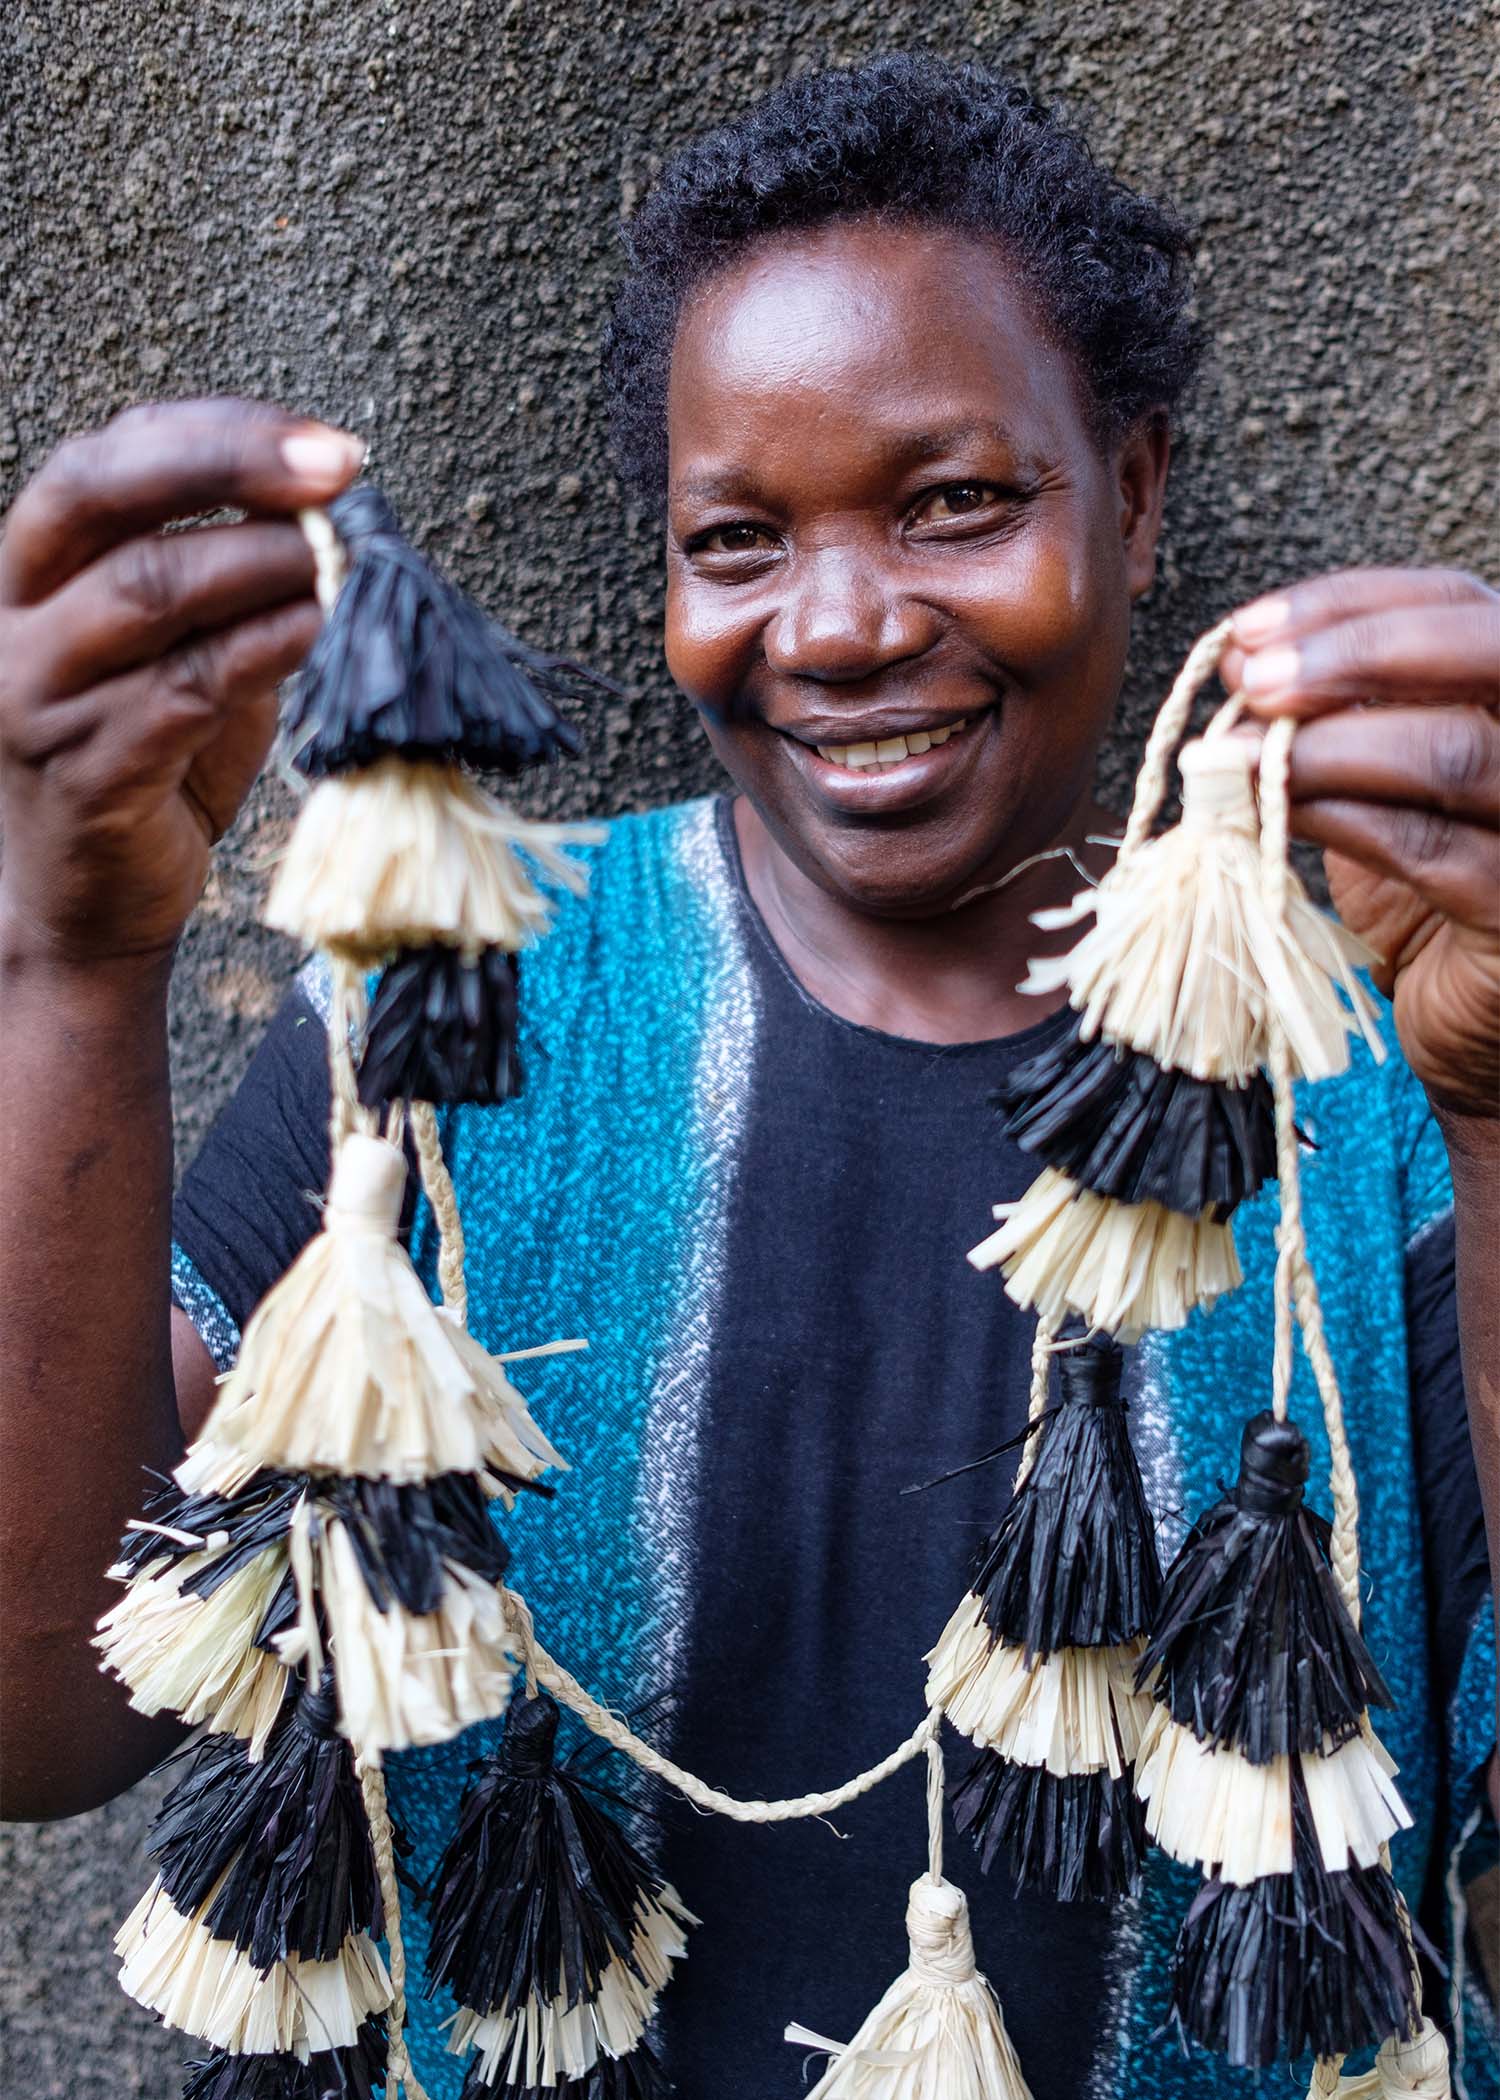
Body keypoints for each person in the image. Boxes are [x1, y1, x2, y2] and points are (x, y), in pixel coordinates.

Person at [1, 52, 1495, 2100]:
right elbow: (41, 1722)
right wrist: (76, 965)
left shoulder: (1379, 1095)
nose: (847, 622)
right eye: (738, 537)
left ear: (1137, 497)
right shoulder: (447, 1026)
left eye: (958, 501)